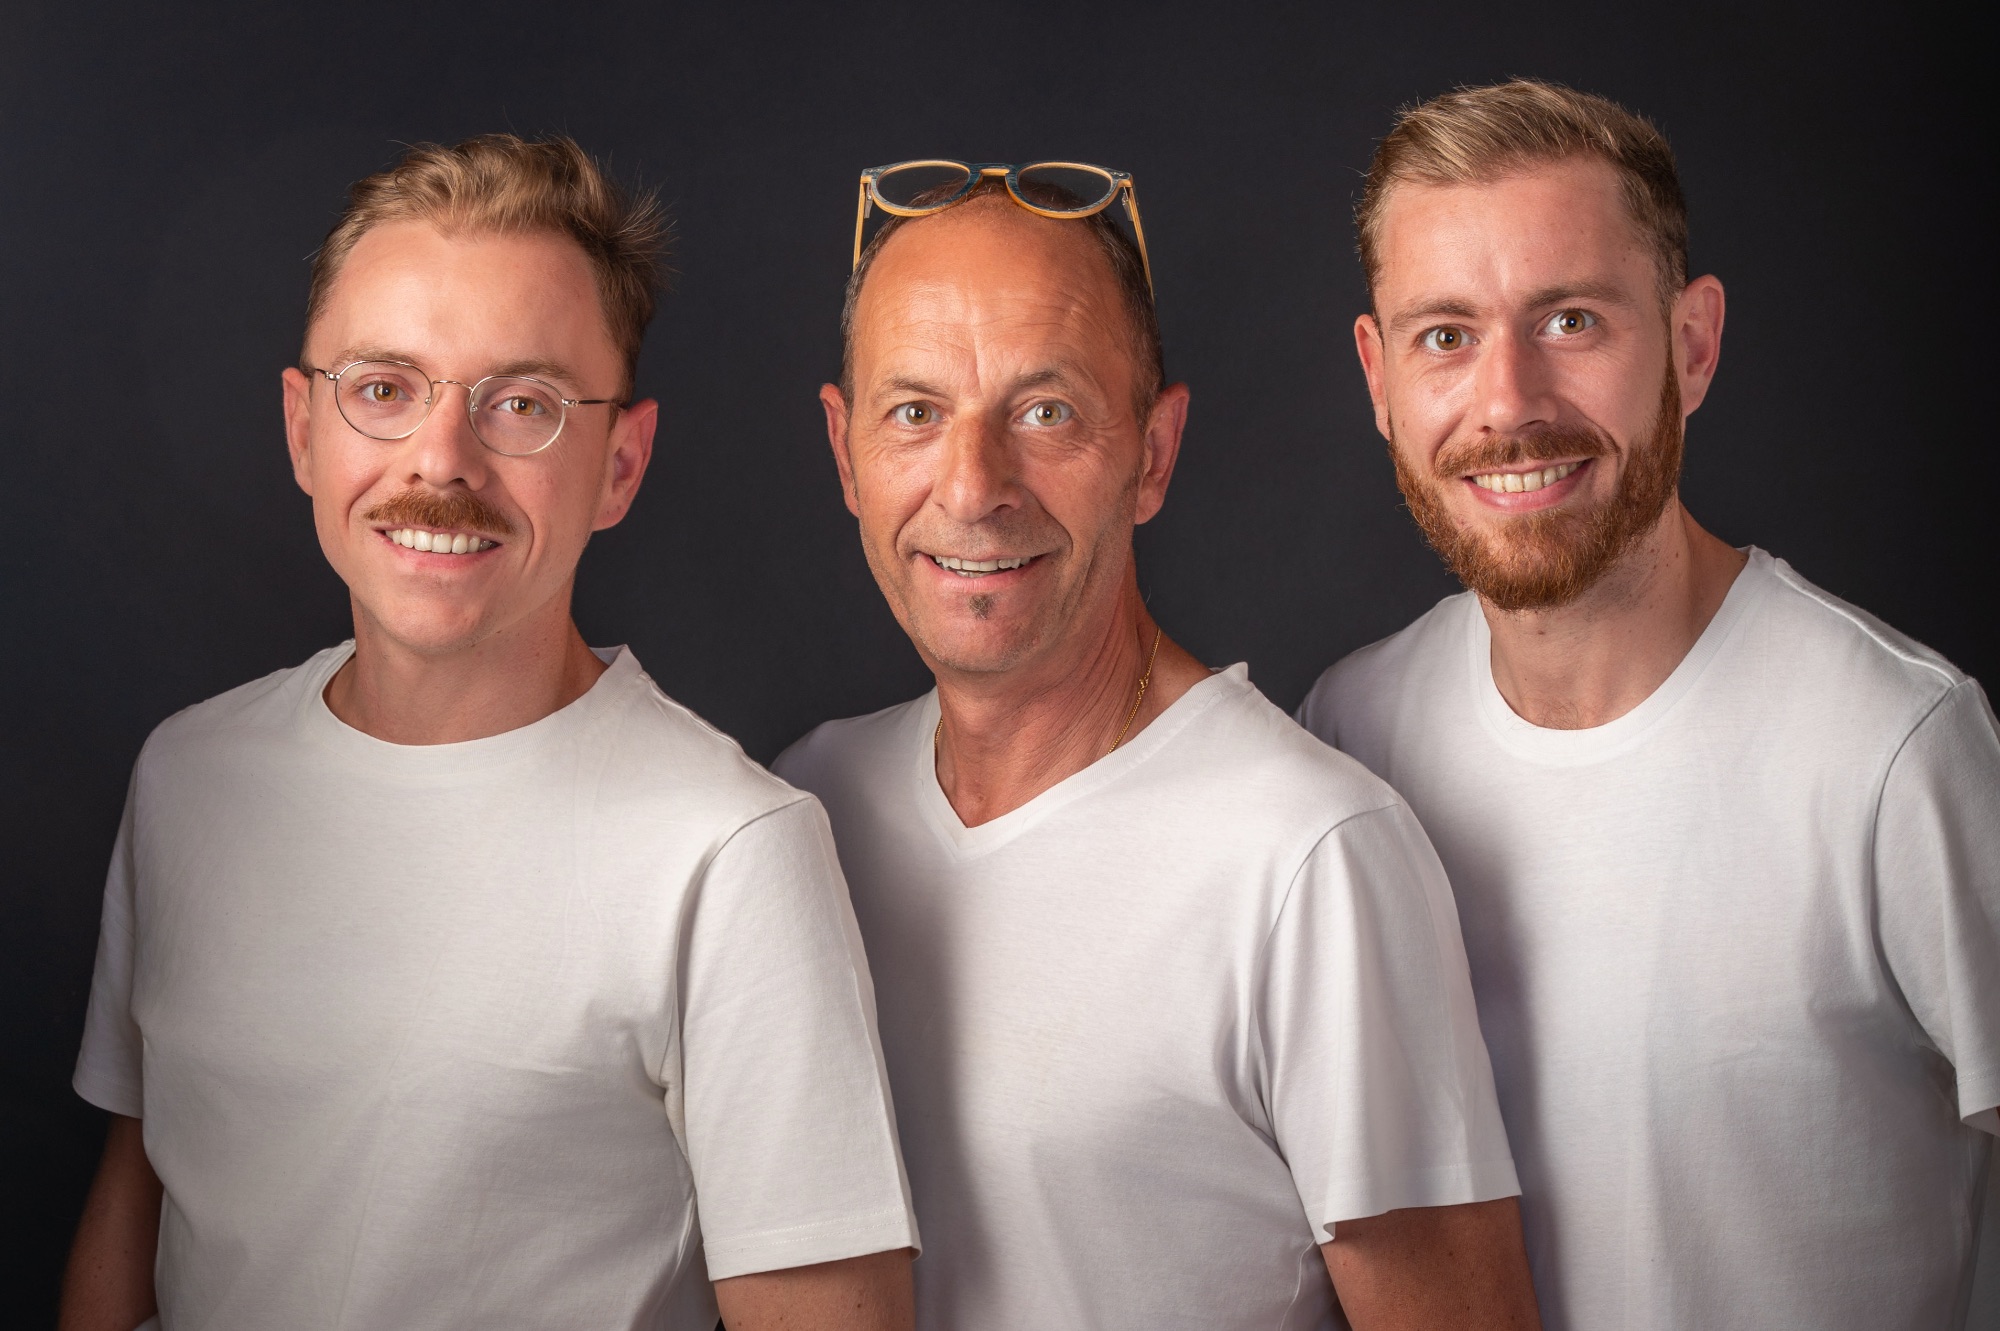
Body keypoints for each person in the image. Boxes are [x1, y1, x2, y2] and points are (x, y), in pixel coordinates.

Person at [59, 134, 917, 1331]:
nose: (441, 459)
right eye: (384, 388)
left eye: (523, 403)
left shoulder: (728, 853)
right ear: (305, 428)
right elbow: (141, 1185)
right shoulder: (188, 776)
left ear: (619, 463)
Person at [775, 161, 1541, 1330]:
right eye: (915, 413)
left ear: (1153, 451)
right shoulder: (805, 810)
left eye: (1046, 411)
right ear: (844, 452)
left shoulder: (1306, 858)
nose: (973, 486)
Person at [1299, 79, 2000, 1329]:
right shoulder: (1350, 737)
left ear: (1690, 343)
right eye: (1444, 335)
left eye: (1568, 319)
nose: (1505, 402)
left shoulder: (1894, 751)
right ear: (1377, 375)